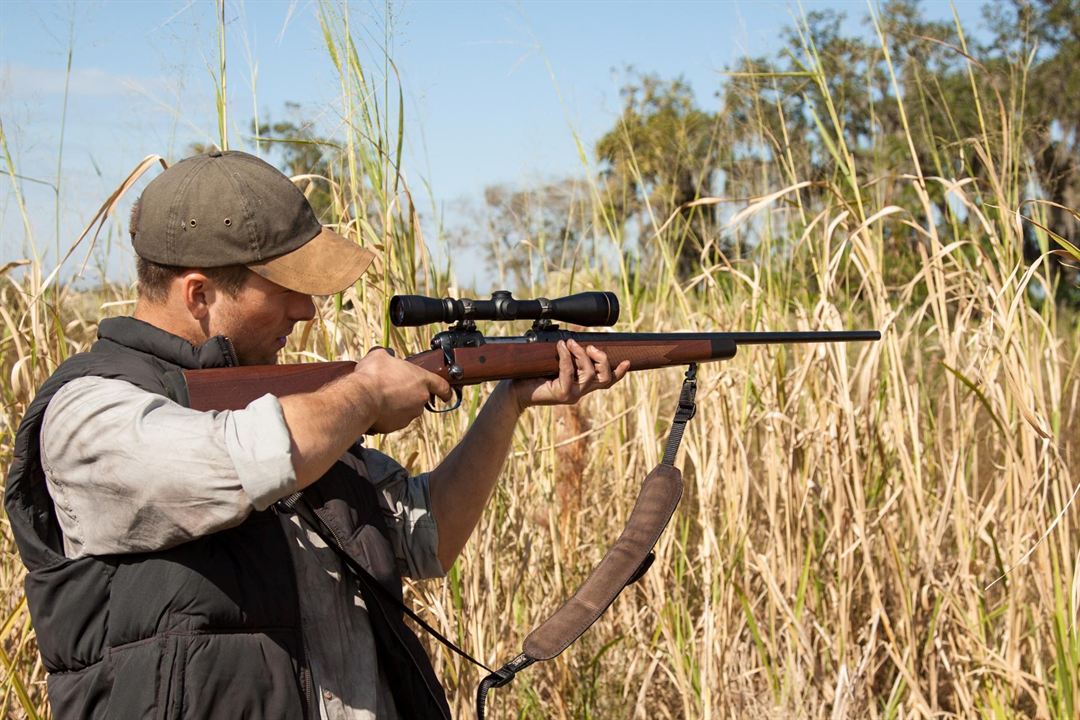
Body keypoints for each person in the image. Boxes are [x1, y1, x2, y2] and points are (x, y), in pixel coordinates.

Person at [4, 150, 629, 719]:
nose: (306, 311)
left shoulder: (288, 409)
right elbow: (240, 460)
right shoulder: (89, 414)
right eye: (285, 290)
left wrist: (509, 399)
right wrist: (364, 394)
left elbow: (427, 538)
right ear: (198, 293)